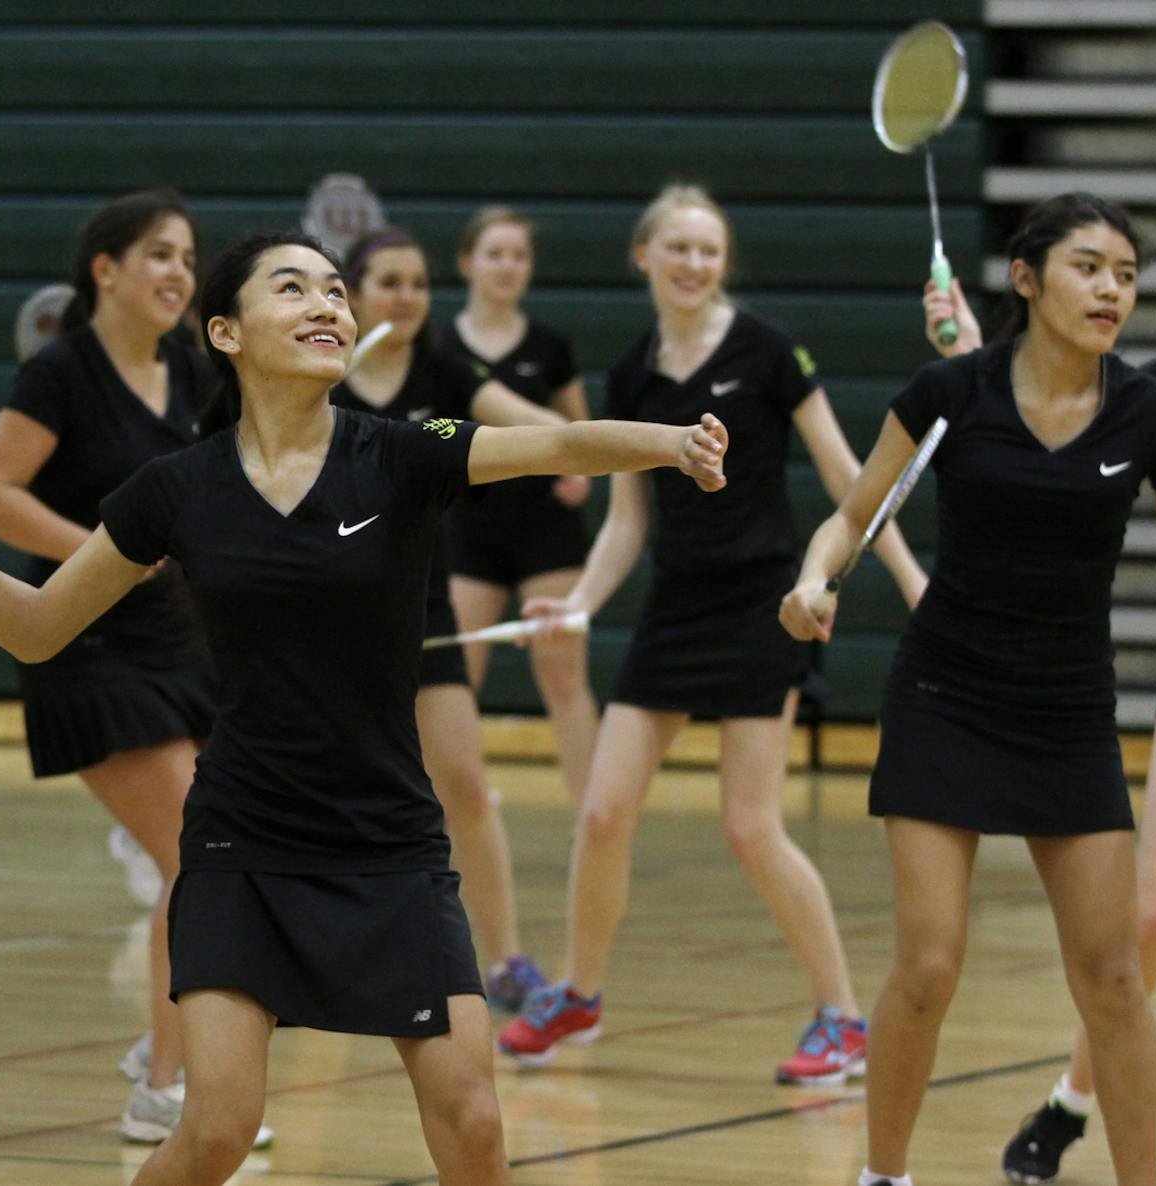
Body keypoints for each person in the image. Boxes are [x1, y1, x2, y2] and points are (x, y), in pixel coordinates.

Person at [0, 229, 728, 1186]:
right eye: (293, 288)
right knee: (218, 1130)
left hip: (388, 841)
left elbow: (555, 441)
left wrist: (671, 446)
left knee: (473, 1121)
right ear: (224, 333)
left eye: (336, 292)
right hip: (243, 843)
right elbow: (36, 626)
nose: (328, 306)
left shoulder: (401, 455)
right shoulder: (176, 491)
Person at [785, 191, 1156, 1186]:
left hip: (1067, 712)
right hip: (945, 696)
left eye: (1127, 275)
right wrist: (811, 577)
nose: (1111, 290)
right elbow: (852, 516)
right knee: (929, 963)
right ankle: (884, 1176)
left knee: (1117, 977)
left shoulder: (1152, 413)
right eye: (1089, 267)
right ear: (1026, 277)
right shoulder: (948, 393)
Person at [499, 183, 921, 1085]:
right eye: (678, 248)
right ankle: (579, 994)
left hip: (760, 606)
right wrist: (578, 602)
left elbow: (851, 479)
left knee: (749, 826)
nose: (694, 264)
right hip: (674, 609)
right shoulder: (633, 374)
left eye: (709, 250)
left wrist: (913, 580)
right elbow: (627, 523)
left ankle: (842, 1017)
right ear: (643, 257)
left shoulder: (769, 353)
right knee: (604, 811)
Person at [0, 189, 234, 1140]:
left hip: (180, 646)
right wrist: (105, 548)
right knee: (196, 859)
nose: (178, 274)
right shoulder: (61, 374)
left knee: (210, 858)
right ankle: (165, 1085)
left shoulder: (193, 372)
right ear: (104, 270)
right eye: (158, 254)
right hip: (83, 642)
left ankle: (168, 1057)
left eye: (188, 259)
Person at [329, 226, 582, 1009]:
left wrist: (611, 449)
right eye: (387, 281)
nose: (405, 295)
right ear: (356, 293)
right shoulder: (319, 380)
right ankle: (324, 956)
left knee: (464, 784)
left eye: (416, 281)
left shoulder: (446, 374)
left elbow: (536, 430)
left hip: (423, 611)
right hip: (330, 621)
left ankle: (505, 961)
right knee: (337, 793)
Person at [434, 206, 599, 811]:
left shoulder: (549, 346)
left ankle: (594, 815)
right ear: (467, 263)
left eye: (519, 256)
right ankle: (448, 809)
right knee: (455, 679)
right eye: (495, 254)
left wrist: (578, 473)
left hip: (546, 531)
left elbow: (577, 432)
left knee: (563, 676)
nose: (507, 266)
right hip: (469, 529)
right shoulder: (441, 347)